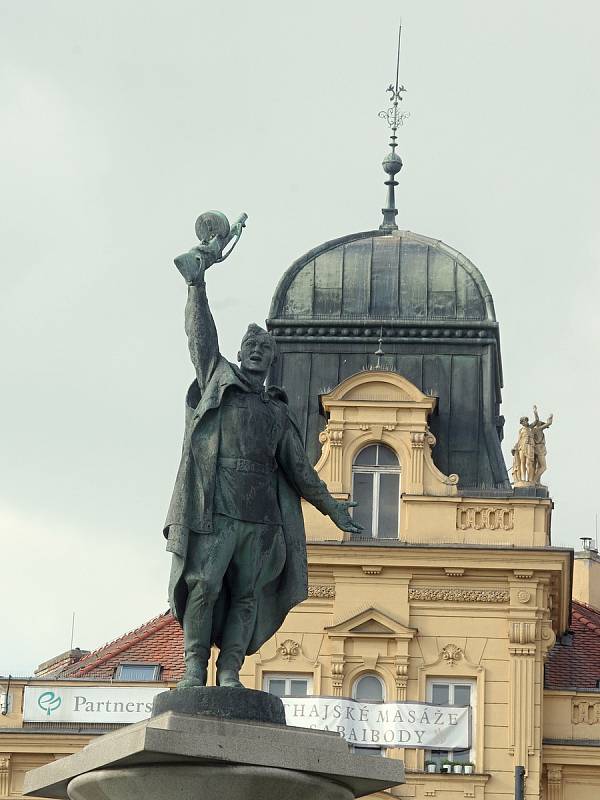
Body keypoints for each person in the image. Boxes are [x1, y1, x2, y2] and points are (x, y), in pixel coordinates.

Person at [164, 216, 362, 689]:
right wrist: (197, 285)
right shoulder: (218, 380)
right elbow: (200, 337)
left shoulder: (276, 412)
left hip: (262, 516)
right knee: (204, 586)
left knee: (248, 596)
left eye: (264, 348)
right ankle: (194, 667)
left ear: (271, 359)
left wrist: (335, 510)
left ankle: (230, 669)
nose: (256, 352)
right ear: (241, 350)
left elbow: (300, 471)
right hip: (215, 507)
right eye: (251, 345)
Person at [531, 405, 553, 485]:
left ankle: (537, 482)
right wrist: (551, 417)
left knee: (538, 466)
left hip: (538, 448)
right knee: (543, 467)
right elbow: (549, 423)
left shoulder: (535, 430)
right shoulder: (538, 429)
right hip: (539, 449)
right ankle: (534, 481)